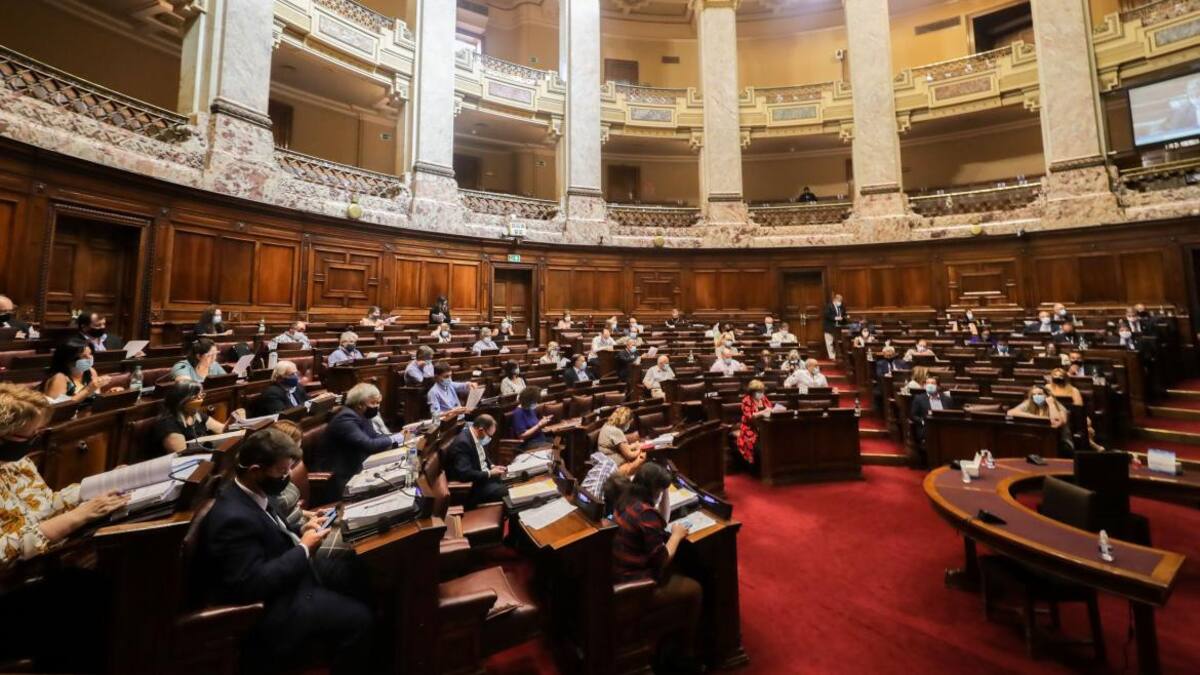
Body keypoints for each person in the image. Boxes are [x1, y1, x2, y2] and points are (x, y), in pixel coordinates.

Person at [199, 426, 372, 675]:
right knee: (360, 620)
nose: (288, 476)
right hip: (278, 607)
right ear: (256, 471)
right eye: (282, 471)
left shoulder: (252, 490)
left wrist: (302, 529)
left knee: (359, 569)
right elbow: (251, 583)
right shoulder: (232, 518)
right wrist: (304, 548)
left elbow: (272, 531)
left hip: (294, 577)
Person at [0, 383, 129, 670]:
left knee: (102, 587)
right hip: (6, 590)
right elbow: (7, 548)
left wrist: (97, 489)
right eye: (29, 434)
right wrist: (78, 516)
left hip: (32, 576)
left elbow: (46, 504)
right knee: (81, 606)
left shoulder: (16, 463)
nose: (35, 439)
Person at [607, 462, 702, 669]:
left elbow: (661, 522)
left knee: (681, 569)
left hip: (619, 572)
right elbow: (663, 559)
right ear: (653, 490)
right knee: (695, 589)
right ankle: (686, 655)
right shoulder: (646, 514)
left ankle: (673, 643)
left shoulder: (626, 499)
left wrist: (663, 493)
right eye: (661, 491)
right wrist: (676, 536)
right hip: (637, 585)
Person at [318, 383, 401, 493]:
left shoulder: (361, 415)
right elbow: (369, 445)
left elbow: (374, 436)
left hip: (357, 466)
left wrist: (397, 436)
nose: (377, 406)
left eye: (378, 403)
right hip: (342, 477)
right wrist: (397, 438)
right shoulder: (345, 419)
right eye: (373, 403)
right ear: (360, 404)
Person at [146, 381, 237, 457]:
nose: (200, 400)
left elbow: (222, 430)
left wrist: (233, 419)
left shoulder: (197, 416)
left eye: (201, 396)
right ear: (181, 401)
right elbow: (181, 455)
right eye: (195, 398)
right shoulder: (167, 424)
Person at [446, 414, 509, 508]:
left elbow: (483, 457)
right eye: (489, 435)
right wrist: (489, 473)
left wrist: (492, 466)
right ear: (481, 430)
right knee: (508, 493)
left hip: (485, 479)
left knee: (512, 481)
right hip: (475, 487)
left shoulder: (476, 436)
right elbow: (465, 474)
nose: (490, 438)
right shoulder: (462, 443)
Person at [41, 338, 112, 403]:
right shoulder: (59, 378)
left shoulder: (91, 372)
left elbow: (93, 400)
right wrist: (87, 390)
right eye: (84, 356)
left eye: (90, 354)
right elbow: (58, 409)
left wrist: (108, 394)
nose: (90, 358)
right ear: (68, 359)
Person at [1007, 385, 1072, 452]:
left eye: (1040, 394)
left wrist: (1051, 404)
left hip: (1060, 443)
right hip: (1040, 440)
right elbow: (1010, 412)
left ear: (1047, 395)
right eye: (1034, 395)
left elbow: (1056, 423)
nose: (1037, 396)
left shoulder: (1058, 406)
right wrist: (1038, 418)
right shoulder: (1030, 403)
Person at [597, 407, 649, 475]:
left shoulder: (606, 426)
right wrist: (640, 449)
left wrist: (635, 446)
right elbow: (629, 455)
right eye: (629, 422)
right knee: (643, 456)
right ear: (625, 420)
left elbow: (621, 447)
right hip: (617, 467)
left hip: (607, 462)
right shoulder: (616, 432)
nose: (629, 425)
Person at [910, 375, 953, 456]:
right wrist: (922, 421)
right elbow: (913, 415)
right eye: (928, 383)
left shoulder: (947, 399)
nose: (930, 385)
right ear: (925, 385)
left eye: (933, 383)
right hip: (926, 427)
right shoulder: (918, 399)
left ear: (937, 386)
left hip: (944, 427)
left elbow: (951, 414)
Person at [737, 380, 773, 463]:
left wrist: (770, 410)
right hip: (750, 427)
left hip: (764, 425)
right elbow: (749, 416)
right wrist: (762, 412)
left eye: (762, 391)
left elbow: (770, 408)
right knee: (753, 441)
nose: (761, 393)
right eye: (759, 392)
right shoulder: (746, 400)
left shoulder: (763, 398)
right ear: (752, 392)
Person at [823, 293, 846, 360]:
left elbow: (844, 314)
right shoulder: (829, 306)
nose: (840, 302)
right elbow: (826, 315)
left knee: (837, 342)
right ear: (835, 300)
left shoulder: (841, 307)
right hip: (829, 327)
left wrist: (843, 318)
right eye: (839, 300)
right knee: (829, 342)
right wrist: (835, 318)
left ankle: (839, 355)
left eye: (841, 301)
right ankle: (832, 356)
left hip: (838, 327)